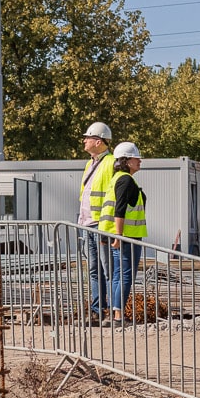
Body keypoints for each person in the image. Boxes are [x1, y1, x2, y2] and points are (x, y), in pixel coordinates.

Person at [103, 142, 148, 319]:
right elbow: (119, 208)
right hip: (127, 236)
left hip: (120, 235)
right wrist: (119, 235)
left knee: (118, 274)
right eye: (136, 158)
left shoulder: (118, 178)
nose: (140, 161)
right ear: (127, 161)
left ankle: (116, 313)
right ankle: (118, 315)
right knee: (125, 275)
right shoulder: (125, 180)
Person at [79, 122, 117, 325]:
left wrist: (107, 224)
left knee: (107, 268)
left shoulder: (110, 162)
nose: (84, 141)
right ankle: (97, 311)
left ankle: (112, 311)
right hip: (88, 224)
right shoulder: (90, 164)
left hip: (102, 226)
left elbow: (113, 196)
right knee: (94, 269)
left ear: (98, 141)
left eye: (87, 137)